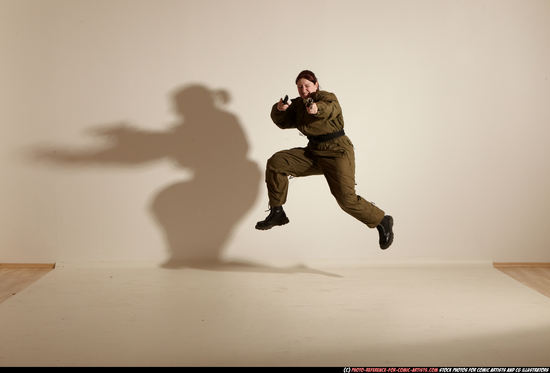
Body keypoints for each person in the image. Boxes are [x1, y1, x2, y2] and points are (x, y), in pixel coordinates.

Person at [255, 70, 394, 250]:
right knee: (277, 162)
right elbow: (283, 122)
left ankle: (382, 220)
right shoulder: (298, 106)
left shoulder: (327, 97)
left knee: (346, 200)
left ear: (316, 85)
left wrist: (316, 108)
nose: (303, 90)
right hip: (314, 152)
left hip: (337, 152)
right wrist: (280, 109)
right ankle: (277, 211)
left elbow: (330, 108)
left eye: (307, 85)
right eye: (299, 87)